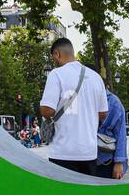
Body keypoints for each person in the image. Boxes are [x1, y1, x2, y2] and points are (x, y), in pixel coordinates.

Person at [38, 38, 107, 176]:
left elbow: (47, 110)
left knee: (63, 190)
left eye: (53, 58)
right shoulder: (96, 77)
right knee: (87, 189)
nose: (54, 61)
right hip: (89, 152)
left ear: (57, 54)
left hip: (63, 152)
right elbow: (103, 113)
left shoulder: (56, 74)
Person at [95, 90, 128, 179]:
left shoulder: (113, 102)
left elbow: (121, 134)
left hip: (104, 159)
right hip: (84, 159)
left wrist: (119, 162)